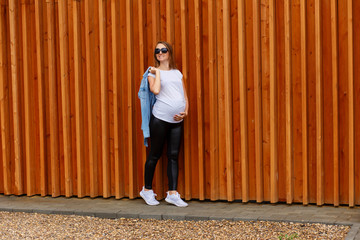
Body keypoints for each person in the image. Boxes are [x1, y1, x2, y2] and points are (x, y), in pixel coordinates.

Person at [140, 41, 189, 207]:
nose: (160, 52)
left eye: (163, 50)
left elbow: (185, 97)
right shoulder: (152, 73)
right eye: (157, 51)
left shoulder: (177, 73)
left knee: (173, 156)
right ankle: (146, 190)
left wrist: (185, 112)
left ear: (169, 52)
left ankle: (173, 193)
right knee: (155, 154)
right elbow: (156, 90)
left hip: (177, 121)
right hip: (160, 119)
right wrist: (158, 73)